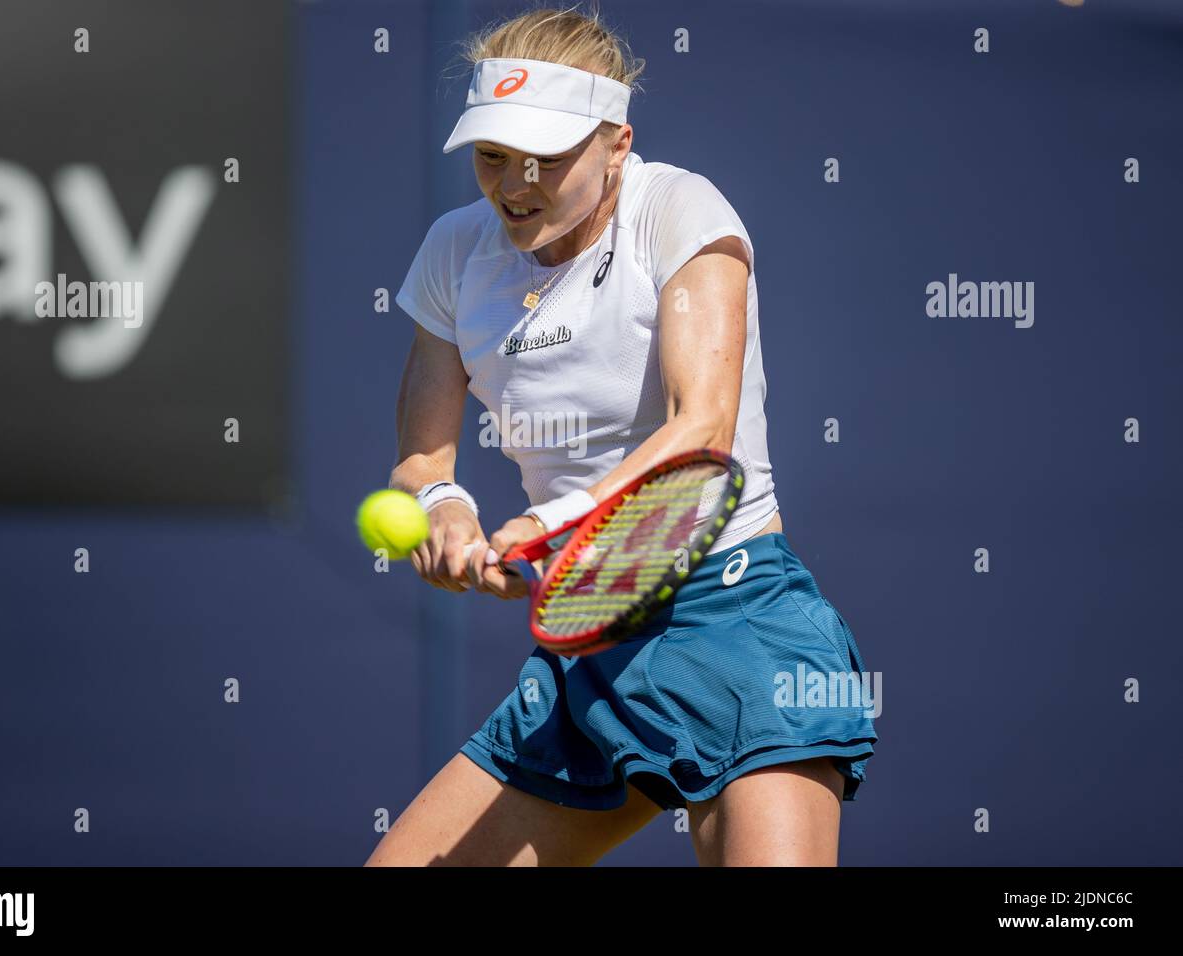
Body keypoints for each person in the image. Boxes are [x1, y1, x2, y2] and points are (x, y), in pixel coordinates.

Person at [367, 3, 877, 866]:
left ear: (617, 144)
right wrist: (446, 512)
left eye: (547, 158)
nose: (514, 183)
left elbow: (702, 427)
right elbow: (423, 459)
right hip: (591, 643)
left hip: (739, 620)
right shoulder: (454, 254)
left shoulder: (679, 210)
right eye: (492, 156)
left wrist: (555, 523)